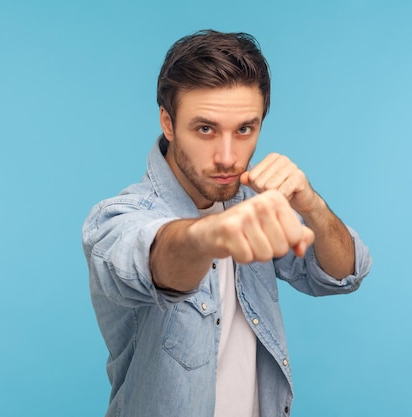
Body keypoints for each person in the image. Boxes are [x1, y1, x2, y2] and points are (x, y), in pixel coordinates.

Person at [82, 29, 372, 417]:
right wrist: (212, 235)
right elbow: (153, 257)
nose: (227, 156)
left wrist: (312, 204)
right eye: (205, 129)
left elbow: (342, 275)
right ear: (168, 124)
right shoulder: (119, 217)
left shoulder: (253, 203)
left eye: (244, 130)